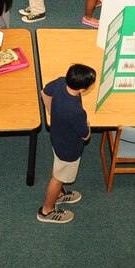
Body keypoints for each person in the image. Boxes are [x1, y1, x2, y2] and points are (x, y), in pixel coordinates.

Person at [37, 63, 95, 224]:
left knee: (58, 168)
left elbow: (45, 92)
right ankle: (46, 211)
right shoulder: (75, 112)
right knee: (58, 176)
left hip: (57, 137)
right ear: (82, 89)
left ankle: (60, 194)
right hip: (69, 148)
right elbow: (85, 135)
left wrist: (51, 112)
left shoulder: (62, 82)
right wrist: (88, 125)